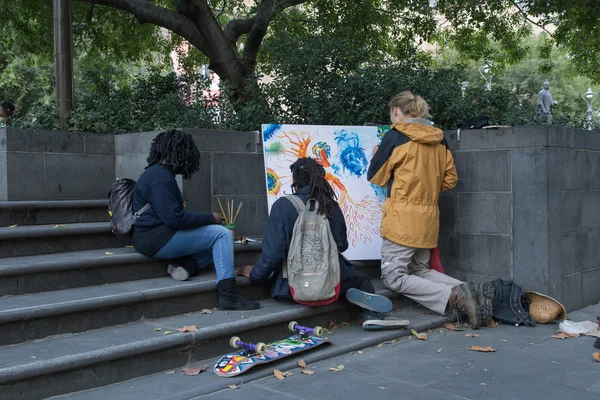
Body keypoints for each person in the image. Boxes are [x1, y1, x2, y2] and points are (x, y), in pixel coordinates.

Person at [236, 157, 408, 330]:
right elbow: (342, 245)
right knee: (361, 281)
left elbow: (273, 253)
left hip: (293, 288)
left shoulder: (282, 206)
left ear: (295, 180)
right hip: (333, 280)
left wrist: (254, 274)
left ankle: (323, 292)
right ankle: (370, 314)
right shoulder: (330, 205)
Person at [368, 91, 482, 329]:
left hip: (401, 218)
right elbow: (450, 180)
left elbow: (376, 177)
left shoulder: (395, 136)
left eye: (392, 114)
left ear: (396, 111)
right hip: (428, 218)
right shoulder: (439, 139)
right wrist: (427, 185)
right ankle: (464, 290)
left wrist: (376, 155)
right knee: (419, 270)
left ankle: (451, 297)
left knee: (394, 278)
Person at [131, 129, 260, 311]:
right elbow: (173, 219)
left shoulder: (157, 174)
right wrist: (210, 218)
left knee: (216, 241)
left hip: (153, 236)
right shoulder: (160, 177)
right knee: (222, 234)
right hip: (155, 239)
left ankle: (186, 268)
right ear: (179, 153)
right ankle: (228, 296)